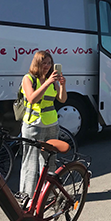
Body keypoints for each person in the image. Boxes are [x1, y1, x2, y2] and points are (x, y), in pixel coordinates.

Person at [20, 50, 67, 198]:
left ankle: (48, 195)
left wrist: (62, 85)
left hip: (51, 125)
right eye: (44, 63)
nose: (47, 66)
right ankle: (27, 196)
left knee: (50, 161)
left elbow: (62, 99)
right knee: (31, 162)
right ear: (37, 64)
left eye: (49, 63)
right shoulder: (28, 79)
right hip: (33, 126)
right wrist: (47, 83)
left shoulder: (51, 80)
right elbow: (32, 98)